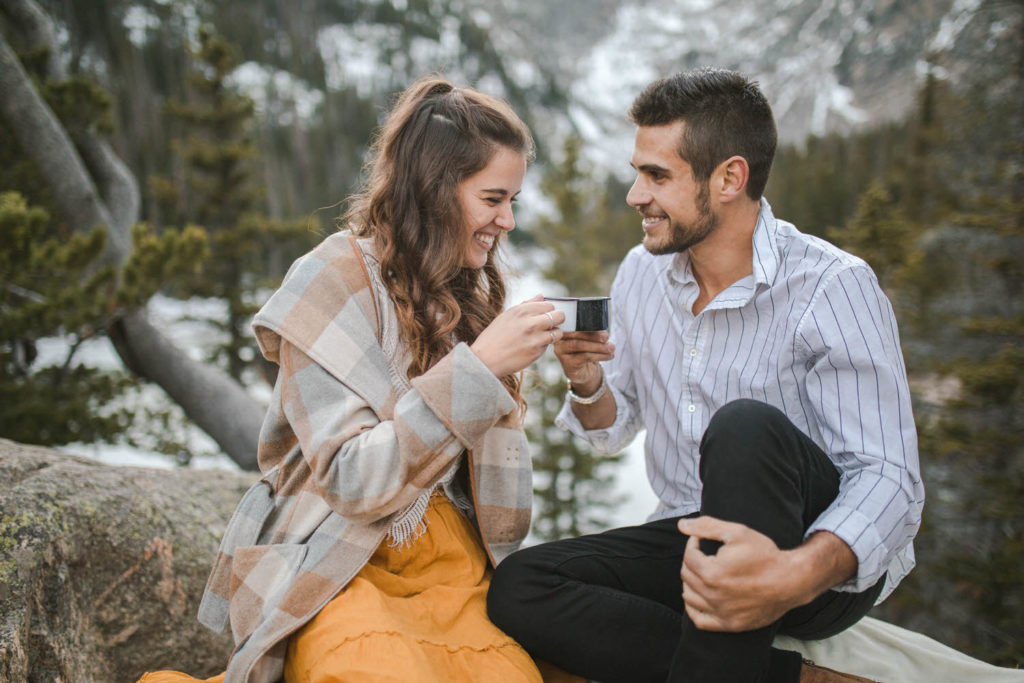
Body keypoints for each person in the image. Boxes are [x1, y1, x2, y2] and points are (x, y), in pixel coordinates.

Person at [487, 67, 924, 683]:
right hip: (692, 537)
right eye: (638, 172)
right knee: (521, 586)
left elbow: (889, 479)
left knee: (746, 428)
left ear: (729, 178)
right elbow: (615, 425)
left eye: (656, 176)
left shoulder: (832, 286)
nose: (636, 195)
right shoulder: (643, 271)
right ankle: (780, 676)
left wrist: (791, 574)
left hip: (813, 562)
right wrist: (586, 380)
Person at [139, 76, 579, 683]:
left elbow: (497, 499)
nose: (506, 220)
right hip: (339, 552)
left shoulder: (467, 293)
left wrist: (566, 377)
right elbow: (351, 481)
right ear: (433, 191)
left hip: (454, 563)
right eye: (493, 198)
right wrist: (478, 371)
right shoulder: (328, 282)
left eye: (514, 202)